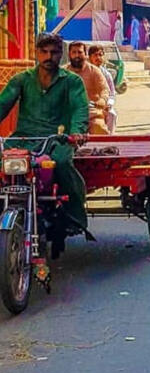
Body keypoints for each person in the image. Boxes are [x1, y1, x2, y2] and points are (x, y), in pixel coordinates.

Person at [0, 32, 90, 237]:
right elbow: (3, 104)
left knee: (62, 162)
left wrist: (77, 132)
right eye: (44, 51)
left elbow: (79, 109)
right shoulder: (22, 80)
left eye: (54, 52)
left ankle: (75, 216)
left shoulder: (72, 81)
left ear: (61, 55)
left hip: (57, 140)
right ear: (36, 53)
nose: (49, 56)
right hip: (23, 138)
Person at [66, 42, 110, 135]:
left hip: (91, 113)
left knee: (99, 128)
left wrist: (102, 100)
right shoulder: (63, 72)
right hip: (68, 114)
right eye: (74, 52)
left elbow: (104, 89)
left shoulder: (94, 71)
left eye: (80, 52)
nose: (77, 55)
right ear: (69, 55)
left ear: (85, 55)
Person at [89, 45, 117, 134]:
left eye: (100, 55)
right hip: (88, 105)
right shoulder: (85, 72)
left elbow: (112, 93)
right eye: (95, 55)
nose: (98, 58)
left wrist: (109, 104)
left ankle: (109, 140)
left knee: (112, 114)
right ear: (90, 57)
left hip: (103, 105)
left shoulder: (107, 74)